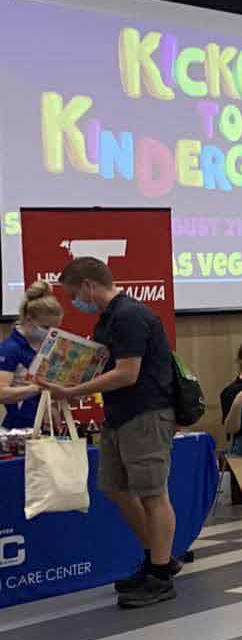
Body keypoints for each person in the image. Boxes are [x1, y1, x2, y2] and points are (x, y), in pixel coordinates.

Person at [36, 258, 178, 609]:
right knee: (114, 487)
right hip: (119, 415)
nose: (74, 302)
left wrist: (72, 392)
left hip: (145, 412)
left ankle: (160, 574)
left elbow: (128, 373)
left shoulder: (129, 315)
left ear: (88, 285)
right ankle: (155, 557)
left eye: (73, 295)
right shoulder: (108, 319)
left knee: (152, 493)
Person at [0, 280, 64, 428]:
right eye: (46, 327)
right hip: (19, 430)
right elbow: (1, 393)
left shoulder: (51, 346)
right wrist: (37, 388)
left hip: (48, 428)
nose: (50, 333)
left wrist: (56, 403)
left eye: (55, 329)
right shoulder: (10, 349)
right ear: (29, 319)